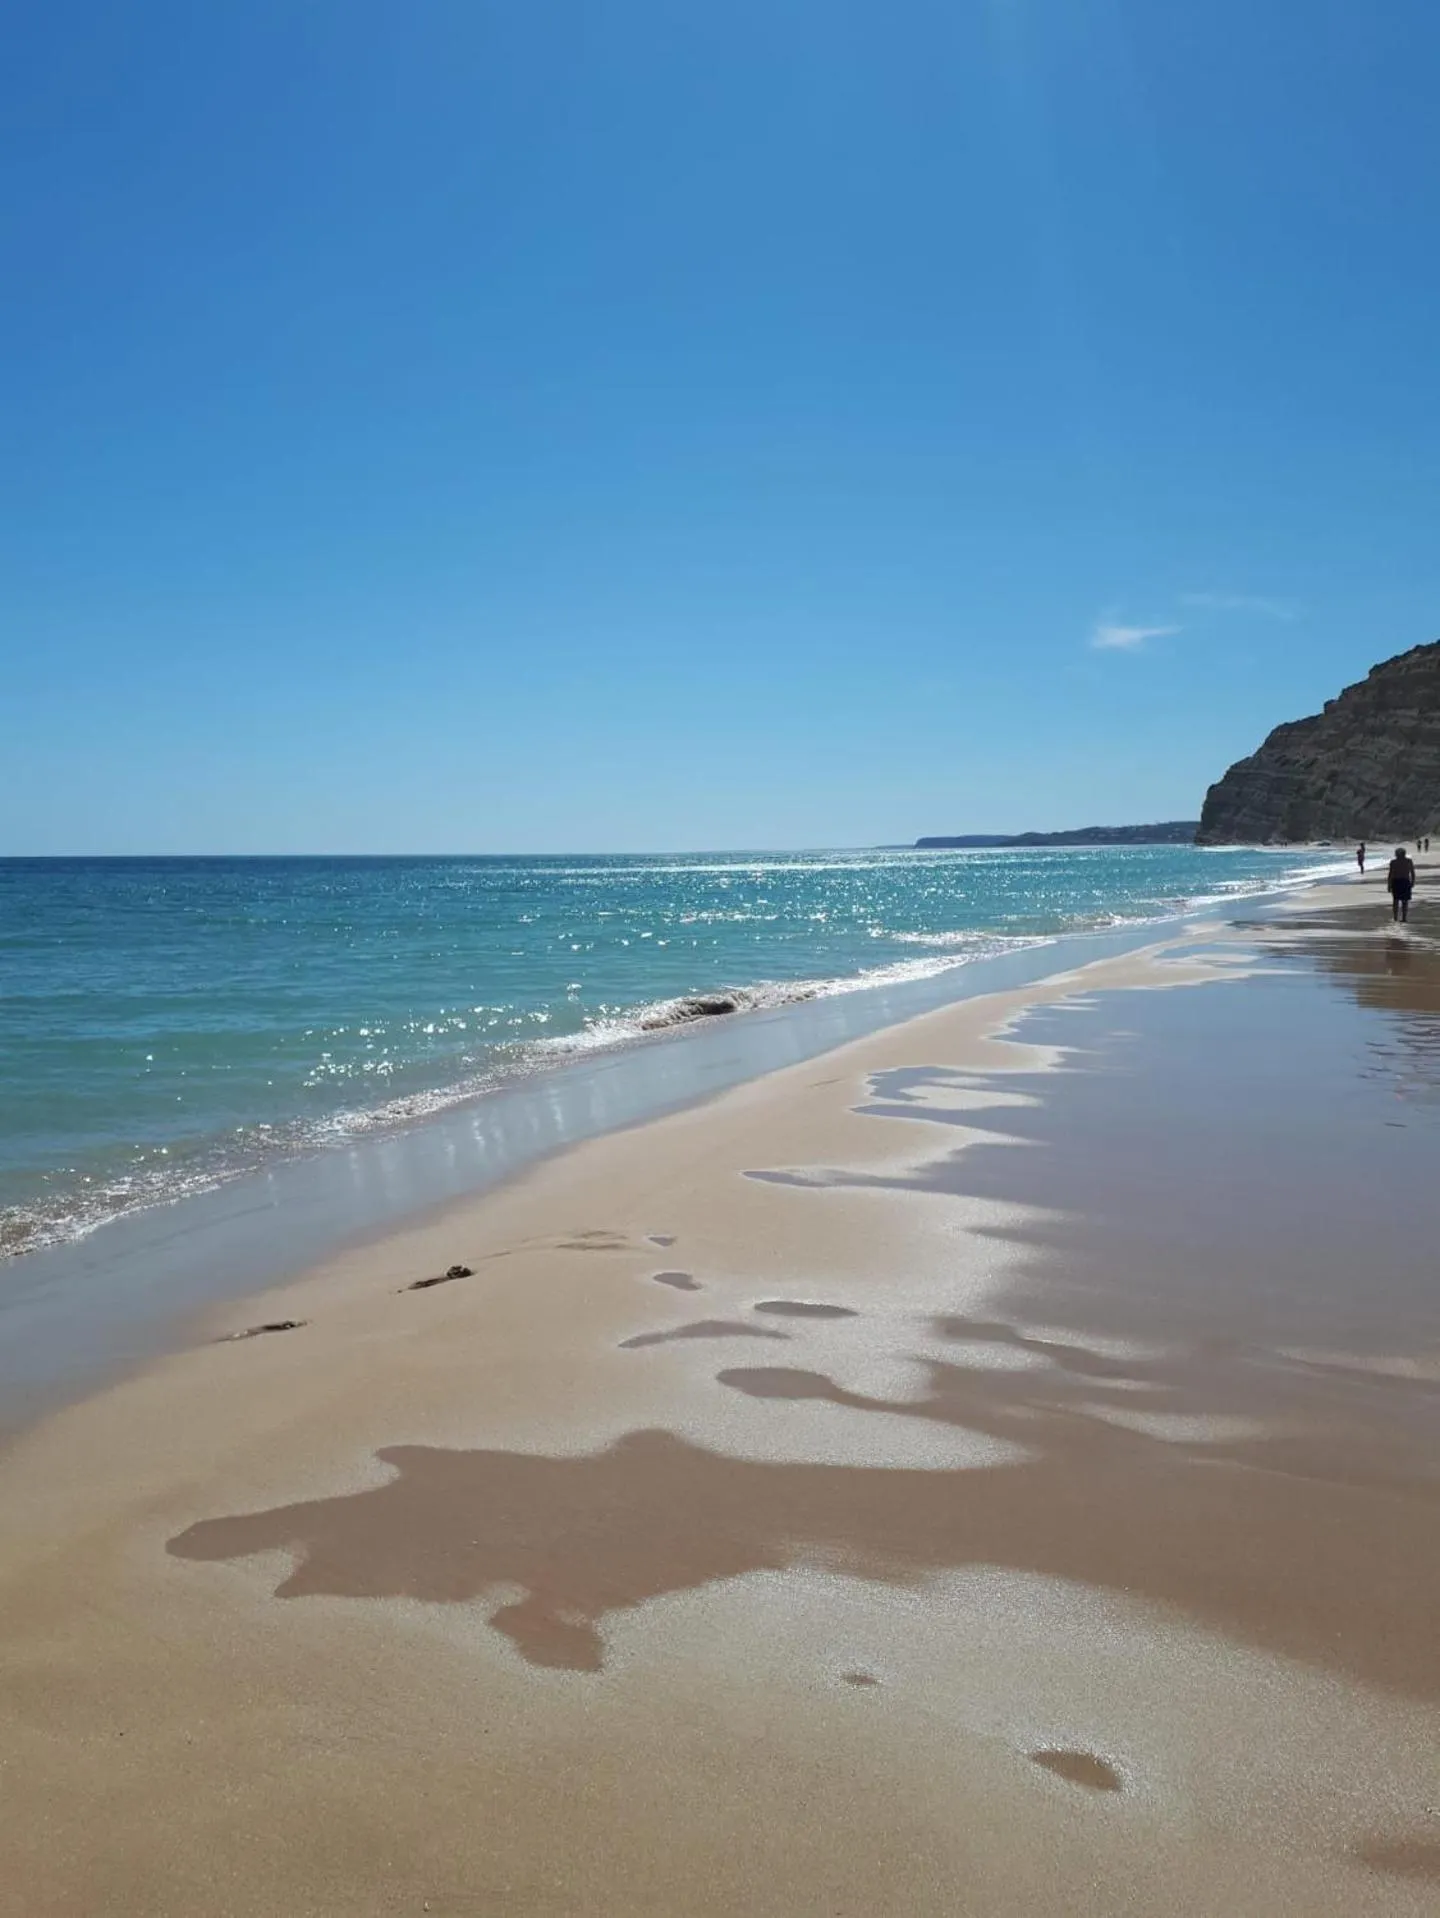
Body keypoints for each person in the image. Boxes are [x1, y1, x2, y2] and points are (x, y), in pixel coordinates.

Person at [1387, 845, 1416, 923]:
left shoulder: (1394, 862)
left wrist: (1389, 885)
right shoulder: (1408, 861)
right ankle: (1402, 918)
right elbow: (1412, 873)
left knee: (1397, 901)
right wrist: (1413, 881)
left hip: (1397, 882)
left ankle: (1397, 918)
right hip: (1404, 882)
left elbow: (1390, 874)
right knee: (1403, 901)